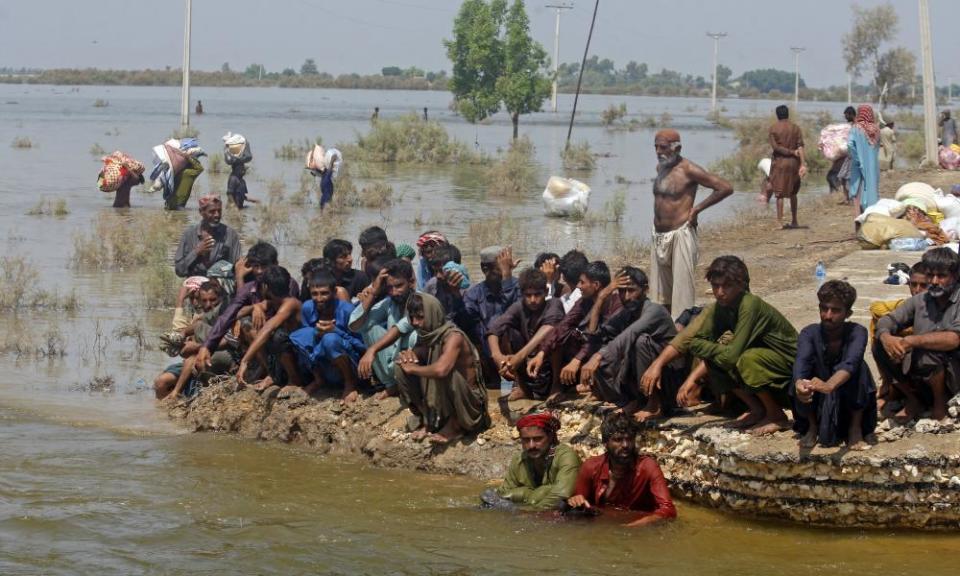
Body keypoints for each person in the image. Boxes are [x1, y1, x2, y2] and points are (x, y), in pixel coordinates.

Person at [686, 256, 797, 435]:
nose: (720, 292)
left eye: (727, 286)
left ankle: (776, 415)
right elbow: (695, 342)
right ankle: (757, 409)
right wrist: (718, 350)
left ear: (741, 285)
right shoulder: (721, 307)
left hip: (789, 366)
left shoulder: (749, 304)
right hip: (764, 362)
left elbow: (731, 356)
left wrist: (718, 350)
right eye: (715, 286)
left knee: (745, 358)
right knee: (715, 359)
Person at [578, 267, 681, 421]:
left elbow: (630, 333)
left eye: (631, 290)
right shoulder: (626, 312)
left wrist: (598, 357)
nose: (625, 297)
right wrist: (601, 298)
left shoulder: (655, 311)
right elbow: (594, 337)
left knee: (640, 342)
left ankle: (654, 405)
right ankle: (634, 400)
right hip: (641, 377)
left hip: (668, 377)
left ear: (645, 289)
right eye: (621, 291)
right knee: (604, 346)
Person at [651, 129, 734, 315]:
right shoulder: (660, 168)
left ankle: (682, 332)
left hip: (680, 233)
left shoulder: (689, 170)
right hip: (659, 236)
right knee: (660, 295)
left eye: (662, 147)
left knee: (682, 292)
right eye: (655, 147)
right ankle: (662, 330)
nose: (658, 151)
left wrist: (697, 209)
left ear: (677, 148)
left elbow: (725, 187)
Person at [875, 247, 960, 423]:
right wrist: (886, 338)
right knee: (879, 345)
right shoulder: (921, 300)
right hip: (924, 370)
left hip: (954, 371)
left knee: (930, 349)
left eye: (941, 276)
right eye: (930, 276)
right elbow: (887, 320)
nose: (934, 281)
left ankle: (940, 402)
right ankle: (913, 399)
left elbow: (953, 339)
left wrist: (912, 341)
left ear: (955, 276)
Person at [394, 293, 490, 444]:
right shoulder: (427, 336)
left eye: (420, 317)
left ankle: (456, 426)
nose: (415, 323)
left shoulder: (453, 337)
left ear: (433, 313)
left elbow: (441, 369)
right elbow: (414, 356)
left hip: (469, 407)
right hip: (445, 405)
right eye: (412, 318)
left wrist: (412, 369)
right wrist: (407, 356)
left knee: (446, 372)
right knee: (400, 368)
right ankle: (427, 419)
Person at [792, 280, 876, 450]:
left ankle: (855, 428)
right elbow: (802, 361)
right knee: (799, 377)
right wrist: (800, 385)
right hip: (818, 399)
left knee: (861, 368)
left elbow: (851, 363)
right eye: (824, 308)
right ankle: (812, 427)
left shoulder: (857, 331)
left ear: (848, 313)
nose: (827, 315)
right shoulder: (809, 332)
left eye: (835, 310)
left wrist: (829, 385)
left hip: (847, 397)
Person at [193, 242, 300, 372]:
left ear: (275, 264)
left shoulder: (288, 283)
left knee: (276, 334)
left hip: (284, 336)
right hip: (261, 338)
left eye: (264, 266)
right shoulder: (250, 287)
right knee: (245, 323)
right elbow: (228, 315)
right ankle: (268, 372)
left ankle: (281, 375)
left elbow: (281, 309)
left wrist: (259, 306)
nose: (260, 271)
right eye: (256, 266)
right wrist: (207, 346)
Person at [533, 261, 623, 400]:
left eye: (582, 282)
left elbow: (601, 339)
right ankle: (557, 385)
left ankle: (599, 388)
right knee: (561, 335)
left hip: (608, 350)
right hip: (590, 347)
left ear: (596, 285)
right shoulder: (584, 301)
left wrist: (577, 360)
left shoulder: (617, 305)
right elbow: (564, 325)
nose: (578, 286)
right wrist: (542, 352)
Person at [567, 412, 676, 525]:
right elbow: (579, 502)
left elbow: (669, 510)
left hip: (636, 528)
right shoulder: (590, 467)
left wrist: (636, 525)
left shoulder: (648, 467)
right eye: (618, 440)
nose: (625, 445)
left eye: (629, 439)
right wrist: (575, 500)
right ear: (605, 443)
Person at [488, 268, 566, 401]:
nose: (533, 300)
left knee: (554, 337)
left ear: (546, 292)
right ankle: (522, 388)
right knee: (509, 332)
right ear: (522, 294)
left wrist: (520, 356)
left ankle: (556, 387)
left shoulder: (554, 304)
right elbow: (494, 330)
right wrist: (497, 356)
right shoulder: (518, 307)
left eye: (537, 294)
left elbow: (549, 327)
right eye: (528, 295)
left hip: (550, 359)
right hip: (528, 359)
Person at [290, 270, 365, 402]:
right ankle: (318, 380)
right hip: (323, 364)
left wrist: (336, 331)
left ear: (334, 292)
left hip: (349, 365)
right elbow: (304, 340)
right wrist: (316, 333)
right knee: (300, 335)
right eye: (315, 294)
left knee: (330, 339)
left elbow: (362, 346)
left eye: (324, 293)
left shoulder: (347, 310)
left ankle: (350, 384)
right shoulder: (308, 307)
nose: (319, 298)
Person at [482, 412, 581, 511]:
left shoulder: (566, 457)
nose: (531, 445)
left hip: (568, 513)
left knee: (546, 493)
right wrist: (527, 494)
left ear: (550, 437)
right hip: (533, 508)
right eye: (526, 440)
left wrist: (528, 511)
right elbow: (502, 493)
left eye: (538, 439)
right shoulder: (519, 459)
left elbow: (560, 495)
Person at [352, 259, 420, 399]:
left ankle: (407, 385)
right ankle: (391, 384)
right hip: (397, 359)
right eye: (389, 287)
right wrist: (374, 292)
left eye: (399, 286)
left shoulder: (420, 300)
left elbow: (401, 327)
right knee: (369, 327)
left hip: (417, 362)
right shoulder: (390, 303)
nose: (394, 292)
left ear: (411, 282)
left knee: (414, 337)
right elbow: (356, 325)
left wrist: (372, 350)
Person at [154, 280, 229, 400]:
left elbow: (230, 340)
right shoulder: (202, 316)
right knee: (160, 382)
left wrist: (198, 347)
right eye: (204, 300)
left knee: (194, 356)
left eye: (213, 300)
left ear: (220, 298)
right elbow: (185, 352)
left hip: (214, 357)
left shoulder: (226, 312)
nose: (208, 304)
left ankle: (175, 394)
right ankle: (164, 412)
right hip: (193, 361)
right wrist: (181, 339)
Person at [235, 266, 304, 392]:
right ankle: (273, 375)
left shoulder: (291, 303)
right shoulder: (273, 301)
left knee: (278, 336)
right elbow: (239, 313)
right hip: (284, 355)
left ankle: (294, 380)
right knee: (248, 323)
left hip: (300, 358)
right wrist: (255, 307)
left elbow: (269, 327)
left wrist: (245, 360)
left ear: (266, 287)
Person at [463, 246, 520, 354]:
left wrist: (507, 279)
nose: (504, 272)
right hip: (486, 351)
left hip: (516, 350)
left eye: (507, 268)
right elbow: (466, 322)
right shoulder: (474, 295)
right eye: (501, 268)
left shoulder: (520, 287)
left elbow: (512, 316)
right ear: (485, 269)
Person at [173, 195, 241, 278]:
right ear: (201, 212)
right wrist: (197, 251)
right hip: (195, 283)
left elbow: (237, 268)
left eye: (219, 211)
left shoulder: (230, 235)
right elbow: (179, 270)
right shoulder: (189, 234)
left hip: (220, 284)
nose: (217, 215)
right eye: (212, 211)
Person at [768, 105, 808, 229]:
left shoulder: (773, 129)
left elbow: (776, 148)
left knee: (779, 194)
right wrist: (803, 163)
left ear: (777, 115)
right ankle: (795, 221)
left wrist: (790, 152)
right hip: (794, 163)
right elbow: (800, 147)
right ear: (787, 114)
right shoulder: (796, 128)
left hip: (780, 163)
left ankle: (779, 222)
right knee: (793, 193)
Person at [848, 104, 881, 218]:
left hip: (858, 165)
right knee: (871, 189)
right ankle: (871, 217)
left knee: (857, 191)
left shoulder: (856, 128)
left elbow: (850, 144)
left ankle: (859, 219)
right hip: (873, 166)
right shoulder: (876, 129)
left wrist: (856, 158)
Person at [827, 106, 857, 204]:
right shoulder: (851, 125)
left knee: (850, 178)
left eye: (846, 116)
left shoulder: (856, 126)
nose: (845, 118)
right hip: (849, 155)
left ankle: (853, 198)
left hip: (854, 156)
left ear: (850, 114)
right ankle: (846, 198)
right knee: (843, 177)